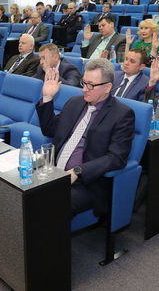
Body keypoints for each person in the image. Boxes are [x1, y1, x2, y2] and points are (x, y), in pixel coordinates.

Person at [37, 58, 135, 216]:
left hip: (86, 183)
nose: (84, 89)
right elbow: (49, 130)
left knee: (50, 204)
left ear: (107, 87)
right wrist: (47, 97)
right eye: (84, 83)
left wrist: (78, 171)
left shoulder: (122, 115)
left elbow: (116, 158)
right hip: (54, 172)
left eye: (91, 85)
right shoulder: (74, 103)